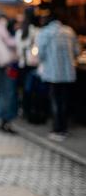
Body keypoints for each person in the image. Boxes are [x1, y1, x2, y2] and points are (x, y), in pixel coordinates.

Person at [36, 10, 80, 142]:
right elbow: (77, 51)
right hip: (68, 73)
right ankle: (64, 128)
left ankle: (57, 129)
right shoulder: (69, 31)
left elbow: (40, 54)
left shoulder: (45, 33)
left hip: (53, 73)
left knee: (55, 101)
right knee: (65, 101)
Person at [15, 8, 48, 123]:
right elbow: (40, 50)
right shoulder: (37, 31)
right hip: (34, 65)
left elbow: (18, 50)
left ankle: (26, 111)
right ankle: (34, 114)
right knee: (35, 91)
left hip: (23, 64)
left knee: (25, 90)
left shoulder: (20, 32)